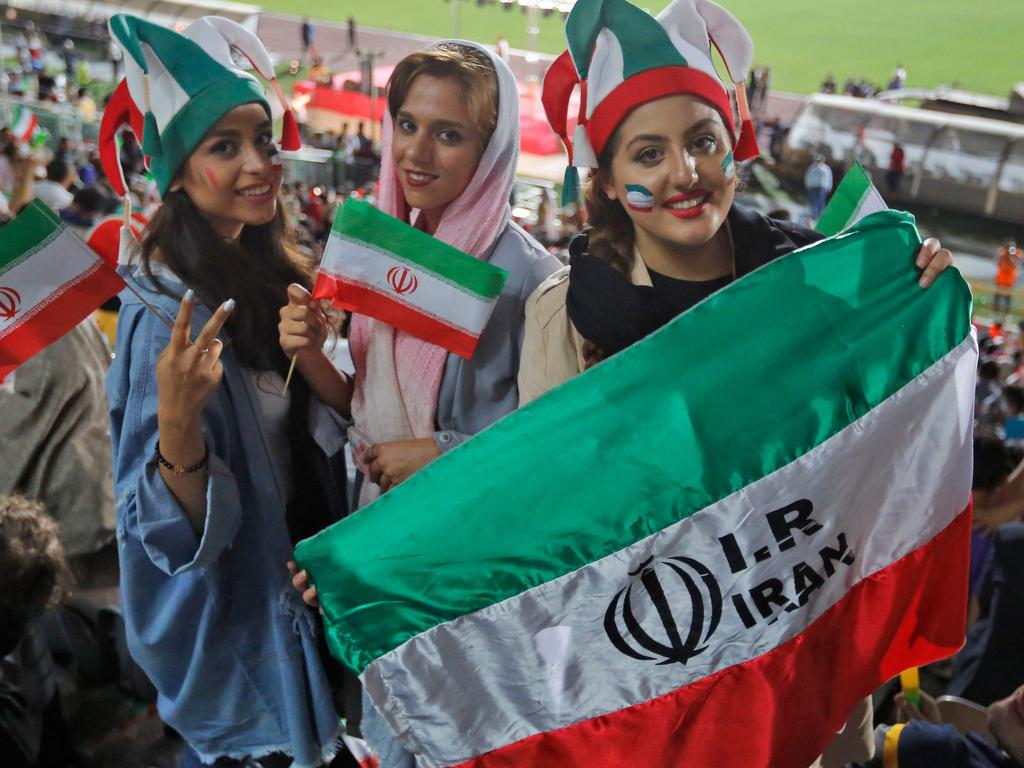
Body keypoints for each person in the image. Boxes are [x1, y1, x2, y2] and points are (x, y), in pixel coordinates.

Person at [521, 2, 954, 763]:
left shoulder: (821, 284)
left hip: (806, 661)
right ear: (613, 181)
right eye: (648, 155)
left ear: (737, 147)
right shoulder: (568, 312)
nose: (684, 173)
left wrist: (925, 301)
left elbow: (881, 448)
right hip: (655, 676)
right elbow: (543, 503)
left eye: (703, 143)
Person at [281, 40, 561, 766]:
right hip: (383, 544)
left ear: (491, 147)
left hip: (467, 568)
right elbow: (364, 410)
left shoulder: (531, 279)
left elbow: (551, 448)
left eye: (449, 133)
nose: (418, 153)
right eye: (408, 124)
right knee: (385, 729)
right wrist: (310, 349)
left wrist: (444, 451)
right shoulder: (386, 248)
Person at [103, 14, 346, 767]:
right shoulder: (163, 317)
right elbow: (166, 543)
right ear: (175, 171)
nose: (259, 165)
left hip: (302, 601)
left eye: (263, 141)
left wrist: (322, 364)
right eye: (225, 146)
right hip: (240, 646)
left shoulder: (274, 273)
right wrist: (176, 426)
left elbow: (313, 441)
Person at [994, 241, 1020, 316]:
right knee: (997, 300)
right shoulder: (1002, 255)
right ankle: (995, 314)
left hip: (1009, 283)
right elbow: (999, 264)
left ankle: (1006, 316)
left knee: (1007, 302)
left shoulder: (1015, 255)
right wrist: (1005, 255)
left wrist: (1010, 257)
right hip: (1000, 281)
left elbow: (1015, 266)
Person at [804, 155, 833, 220]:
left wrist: (829, 186)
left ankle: (820, 215)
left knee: (820, 201)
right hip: (813, 186)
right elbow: (807, 176)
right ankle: (814, 214)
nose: (818, 162)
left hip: (822, 187)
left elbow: (829, 178)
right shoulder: (811, 167)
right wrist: (807, 184)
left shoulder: (826, 168)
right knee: (813, 200)